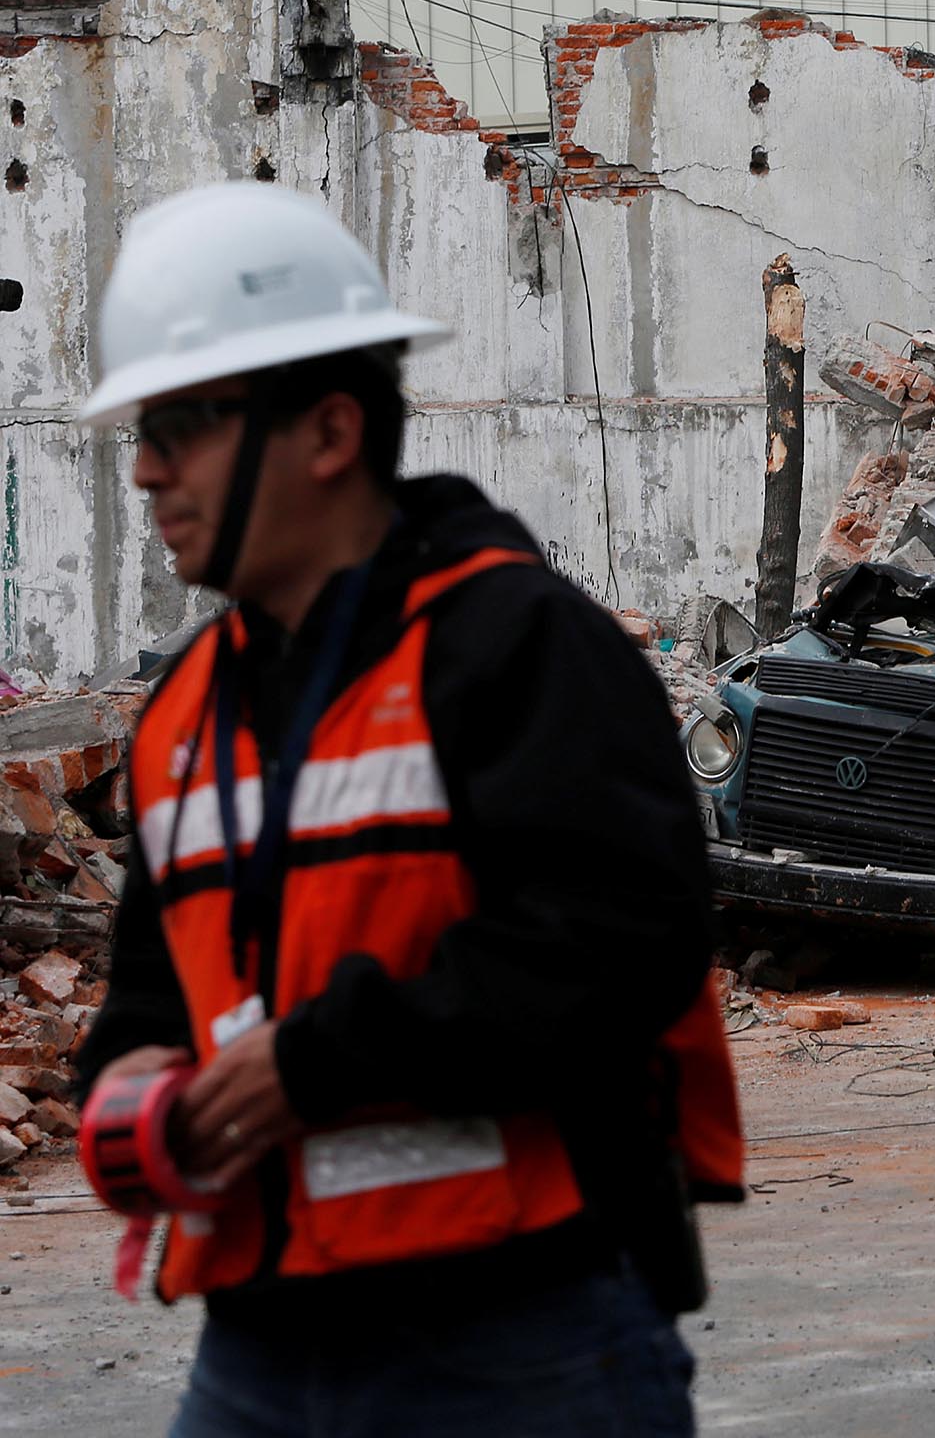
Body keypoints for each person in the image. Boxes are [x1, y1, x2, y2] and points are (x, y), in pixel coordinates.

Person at [72, 182, 737, 1437]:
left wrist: (318, 1061)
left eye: (183, 425)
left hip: (521, 1337)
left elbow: (620, 941)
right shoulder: (184, 716)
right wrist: (139, 1088)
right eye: (141, 433)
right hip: (260, 1352)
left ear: (327, 431)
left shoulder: (514, 646)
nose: (150, 469)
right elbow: (158, 995)